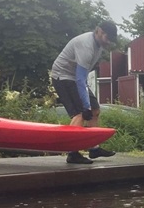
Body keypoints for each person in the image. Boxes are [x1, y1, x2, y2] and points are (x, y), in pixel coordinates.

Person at [51, 21, 119, 164]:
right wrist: (85, 106)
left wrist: (89, 106)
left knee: (95, 109)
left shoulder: (99, 46)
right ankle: (72, 153)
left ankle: (93, 148)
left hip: (76, 78)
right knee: (80, 113)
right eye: (108, 38)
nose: (110, 42)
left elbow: (82, 77)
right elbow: (80, 79)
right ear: (99, 31)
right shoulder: (86, 46)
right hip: (62, 77)